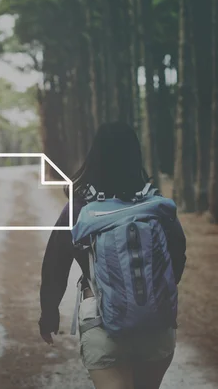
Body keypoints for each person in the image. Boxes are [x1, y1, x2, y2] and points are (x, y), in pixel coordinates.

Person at [39, 122, 187, 389]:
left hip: (102, 323)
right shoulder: (157, 207)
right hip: (156, 325)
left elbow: (54, 266)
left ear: (94, 156)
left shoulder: (79, 209)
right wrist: (149, 295)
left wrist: (48, 313)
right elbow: (178, 258)